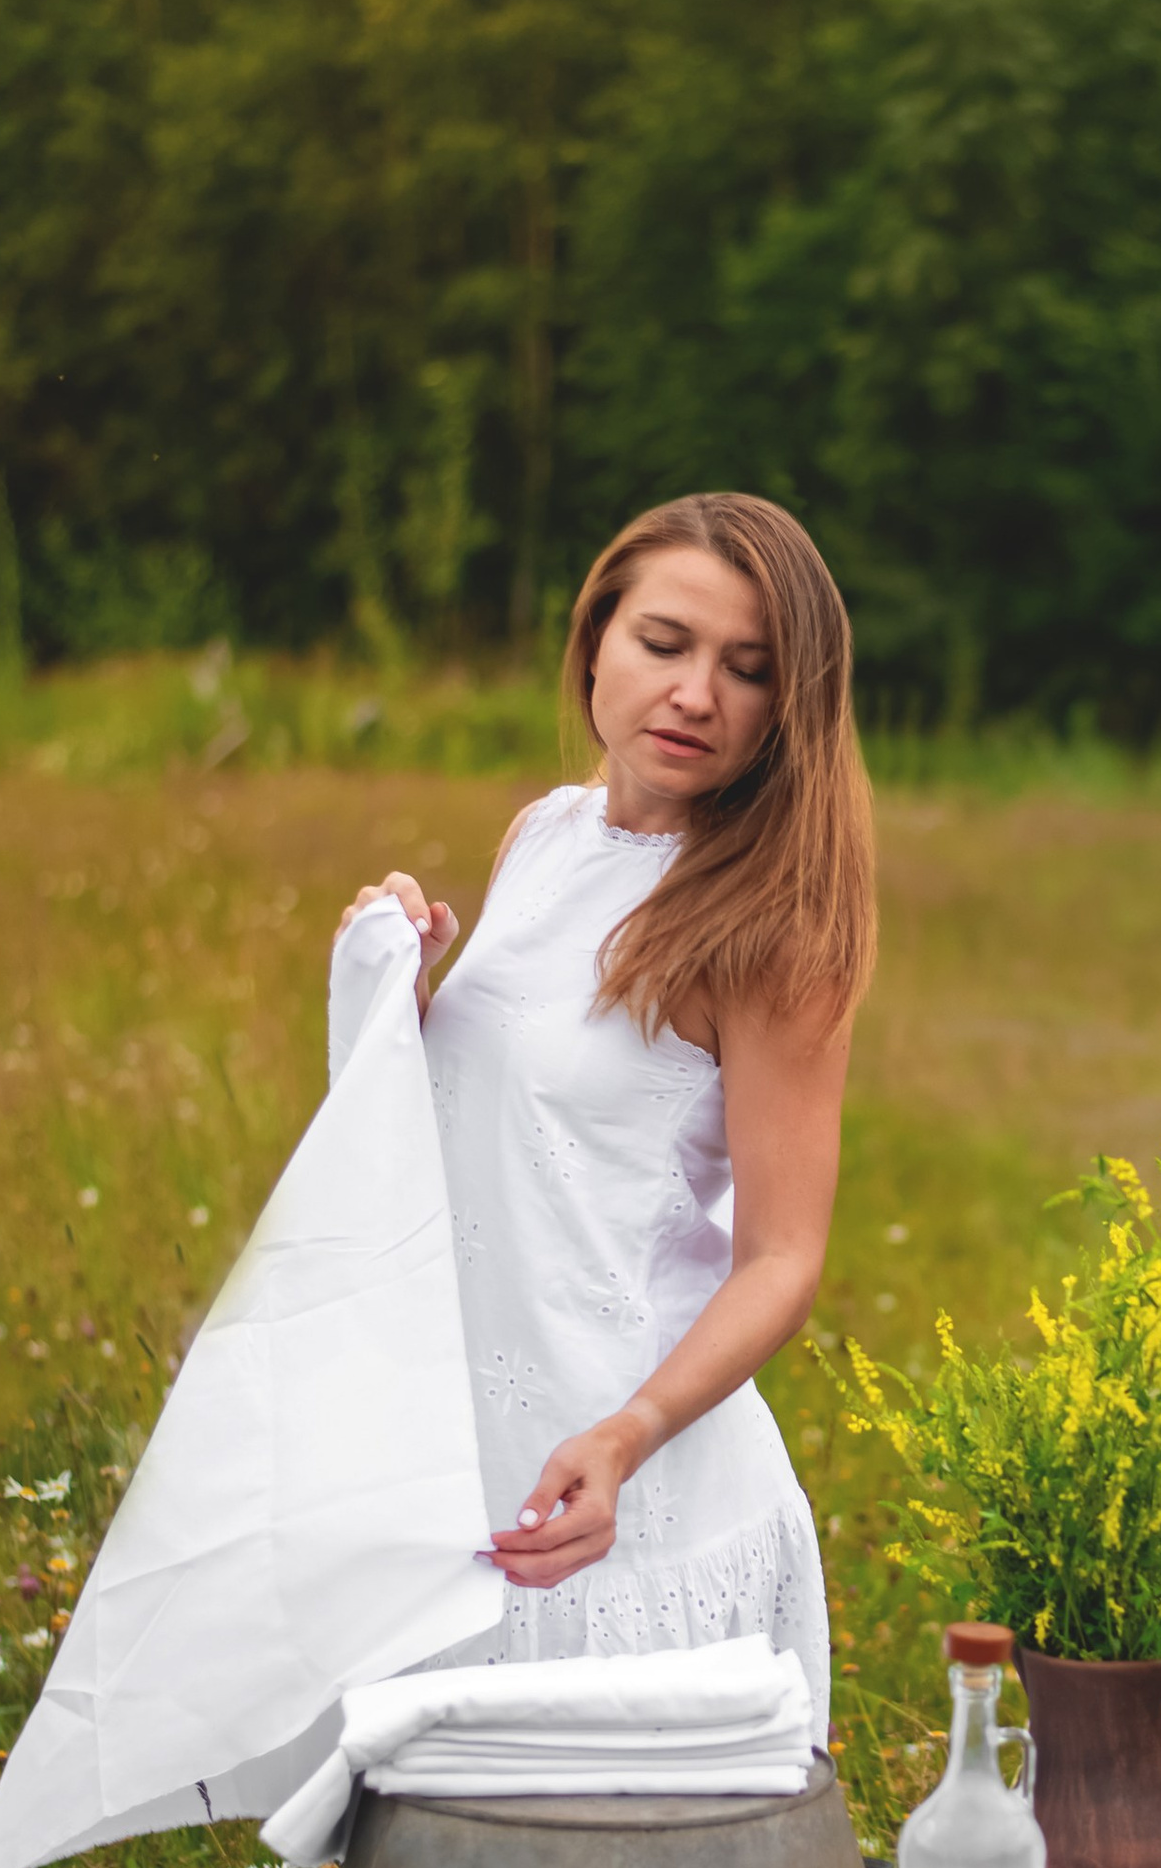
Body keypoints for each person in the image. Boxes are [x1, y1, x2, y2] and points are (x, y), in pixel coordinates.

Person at [334, 493, 875, 1736]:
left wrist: (628, 1436)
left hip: (632, 1497)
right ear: (595, 645)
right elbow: (510, 1129)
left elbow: (784, 1258)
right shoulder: (546, 832)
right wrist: (396, 993)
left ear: (789, 707)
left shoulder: (771, 930)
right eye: (665, 642)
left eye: (748, 670)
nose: (695, 695)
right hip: (468, 1452)